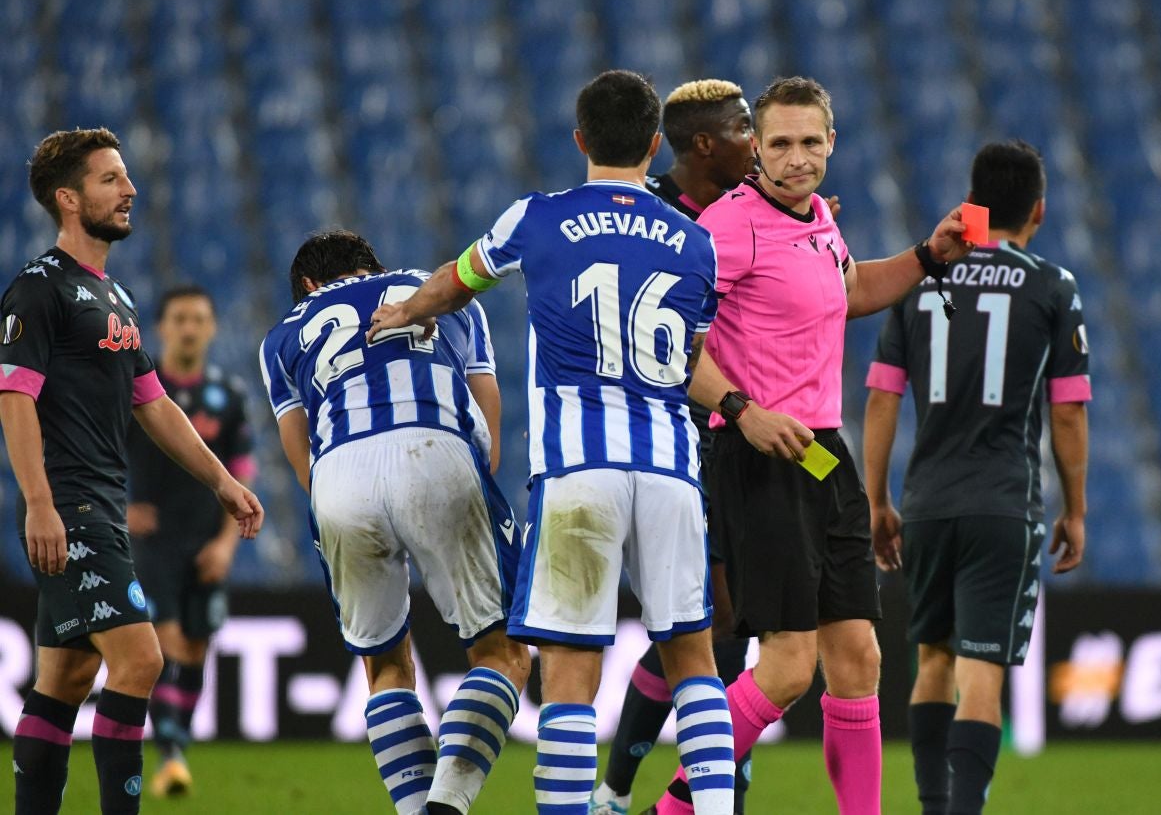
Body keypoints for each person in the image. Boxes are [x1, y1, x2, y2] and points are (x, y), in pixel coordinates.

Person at [366, 69, 738, 815]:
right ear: (655, 144)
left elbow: (458, 281)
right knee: (694, 661)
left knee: (570, 671)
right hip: (669, 468)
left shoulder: (535, 217)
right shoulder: (698, 245)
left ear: (579, 140)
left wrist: (406, 310)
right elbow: (690, 356)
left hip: (578, 472)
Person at [649, 76, 974, 815]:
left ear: (833, 142)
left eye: (810, 141)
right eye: (781, 144)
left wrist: (929, 254)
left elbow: (850, 290)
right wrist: (741, 409)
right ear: (756, 149)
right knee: (790, 668)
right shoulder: (728, 228)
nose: (798, 157)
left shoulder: (820, 218)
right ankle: (670, 810)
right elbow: (667, 340)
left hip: (822, 453)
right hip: (760, 457)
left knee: (859, 658)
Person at [0, 128, 264, 815]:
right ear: (68, 198)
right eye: (111, 178)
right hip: (72, 508)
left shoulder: (115, 300)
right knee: (141, 661)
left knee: (66, 677)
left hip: (98, 508)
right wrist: (39, 502)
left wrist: (223, 482)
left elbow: (156, 407)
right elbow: (14, 397)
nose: (130, 190)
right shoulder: (38, 289)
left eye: (127, 177)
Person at [258, 229, 531, 815]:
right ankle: (446, 806)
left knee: (385, 665)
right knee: (502, 653)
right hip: (435, 448)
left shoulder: (280, 336)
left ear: (307, 285)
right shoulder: (436, 290)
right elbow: (487, 407)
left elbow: (298, 449)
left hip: (337, 474)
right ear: (371, 267)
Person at [861, 140, 1090, 815]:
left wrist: (877, 500)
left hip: (927, 503)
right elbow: (1069, 414)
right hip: (1001, 506)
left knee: (932, 662)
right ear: (1038, 212)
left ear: (975, 205)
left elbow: (881, 399)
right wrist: (1075, 509)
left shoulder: (921, 277)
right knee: (980, 671)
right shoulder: (1053, 286)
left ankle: (934, 809)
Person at [591, 78, 756, 815]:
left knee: (714, 626)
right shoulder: (650, 215)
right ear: (703, 145)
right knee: (703, 624)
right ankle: (693, 788)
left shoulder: (749, 212)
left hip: (740, 433)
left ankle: (619, 790)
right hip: (673, 443)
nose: (759, 145)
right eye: (746, 130)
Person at [124, 286, 255, 798]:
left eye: (199, 318)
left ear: (213, 327)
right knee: (167, 642)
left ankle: (175, 746)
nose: (189, 328)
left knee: (196, 644)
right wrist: (121, 508)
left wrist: (227, 545)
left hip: (205, 539)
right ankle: (172, 753)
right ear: (161, 327)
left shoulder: (229, 395)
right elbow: (102, 451)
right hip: (152, 541)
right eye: (179, 318)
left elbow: (242, 475)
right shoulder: (137, 389)